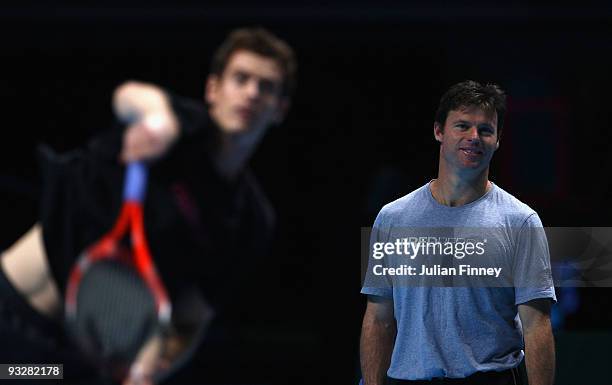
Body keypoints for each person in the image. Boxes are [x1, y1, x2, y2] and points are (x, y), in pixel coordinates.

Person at [0, 27, 296, 385]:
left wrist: (149, 372)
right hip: (11, 315)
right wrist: (158, 120)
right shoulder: (177, 127)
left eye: (266, 86)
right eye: (241, 78)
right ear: (213, 89)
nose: (252, 92)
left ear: (280, 108)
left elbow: (187, 323)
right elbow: (131, 95)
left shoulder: (250, 222)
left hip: (70, 366)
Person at [360, 81, 556, 385]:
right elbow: (378, 317)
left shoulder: (521, 221)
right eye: (462, 125)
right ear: (439, 131)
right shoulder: (392, 218)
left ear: (498, 139)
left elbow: (536, 325)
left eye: (485, 130)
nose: (474, 138)